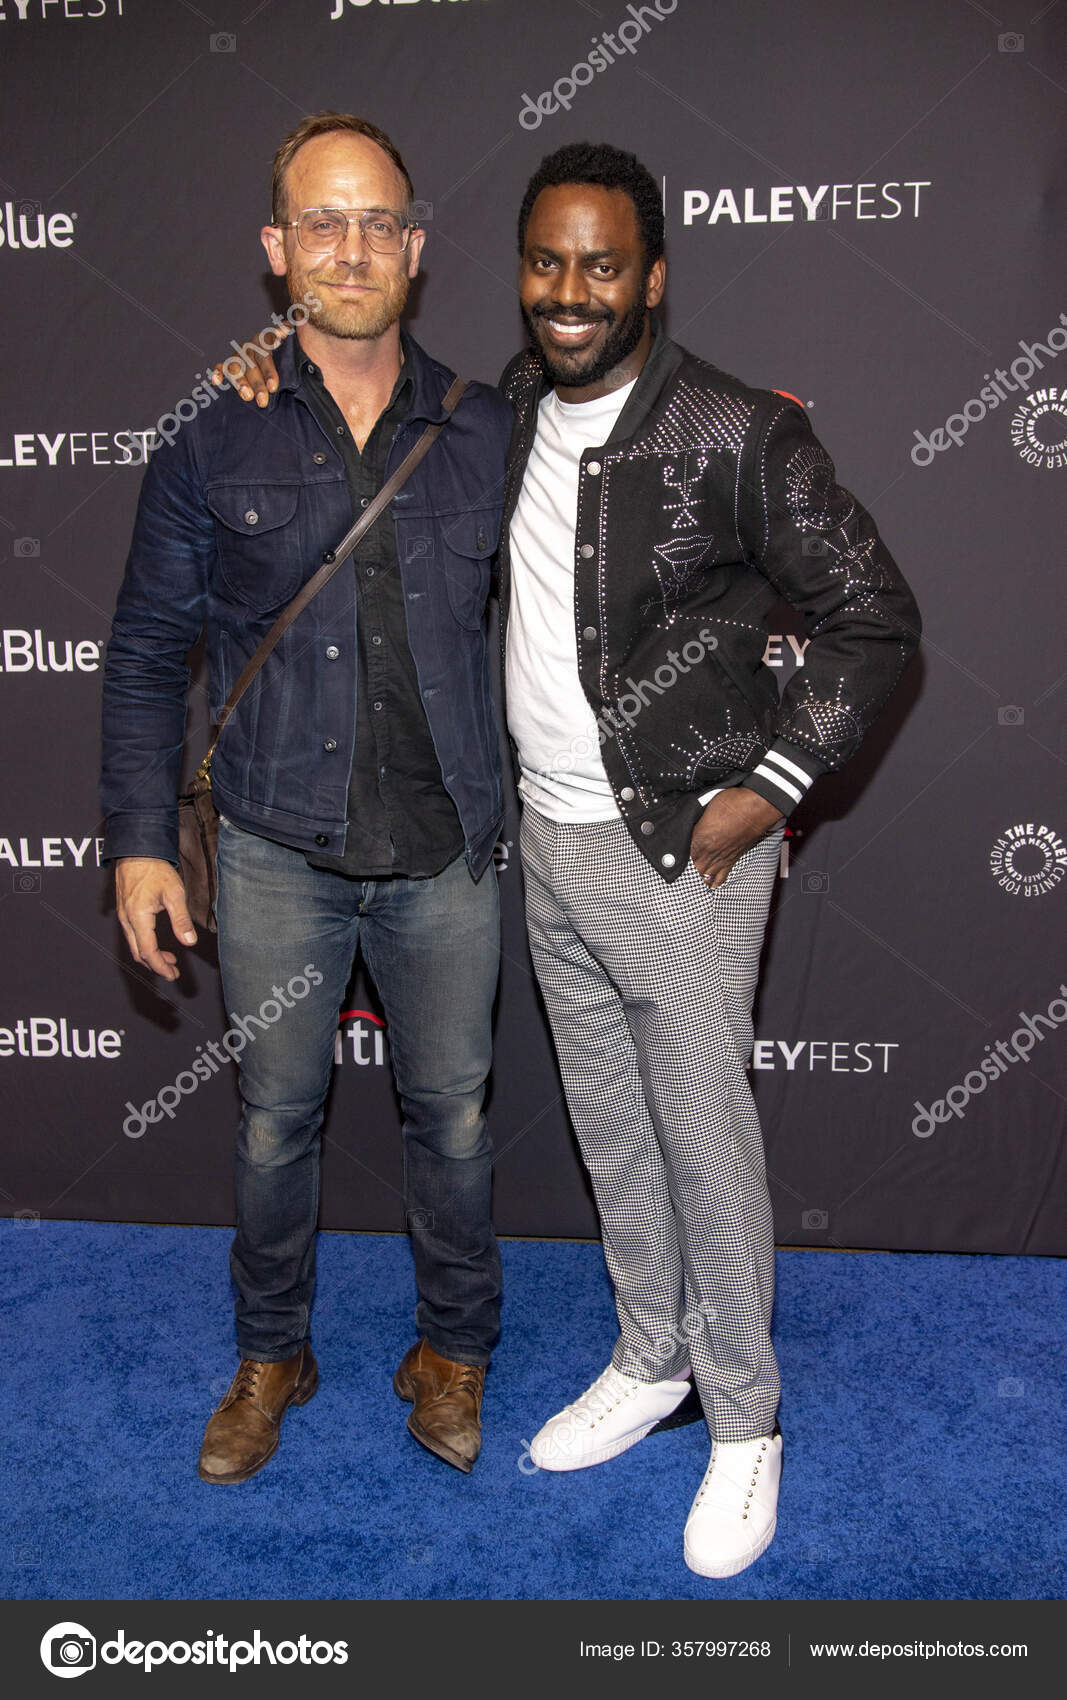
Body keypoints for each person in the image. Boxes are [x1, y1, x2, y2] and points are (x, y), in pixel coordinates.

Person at [224, 139, 921, 1578]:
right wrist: (264, 366)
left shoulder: (737, 431)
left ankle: (746, 1424)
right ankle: (653, 1357)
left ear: (652, 276)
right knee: (611, 1127)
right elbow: (352, 411)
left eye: (604, 266)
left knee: (705, 1142)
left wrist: (771, 789)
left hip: (682, 848)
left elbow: (875, 617)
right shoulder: (510, 408)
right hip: (542, 839)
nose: (571, 291)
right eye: (547, 262)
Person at [99, 112, 512, 1484]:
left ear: (416, 247)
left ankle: (454, 1347)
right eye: (322, 222)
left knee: (453, 1119)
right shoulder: (210, 437)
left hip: (447, 849)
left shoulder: (488, 428)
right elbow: (147, 656)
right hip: (276, 848)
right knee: (277, 1122)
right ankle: (272, 1352)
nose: (352, 247)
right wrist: (140, 844)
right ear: (277, 249)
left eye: (378, 221)